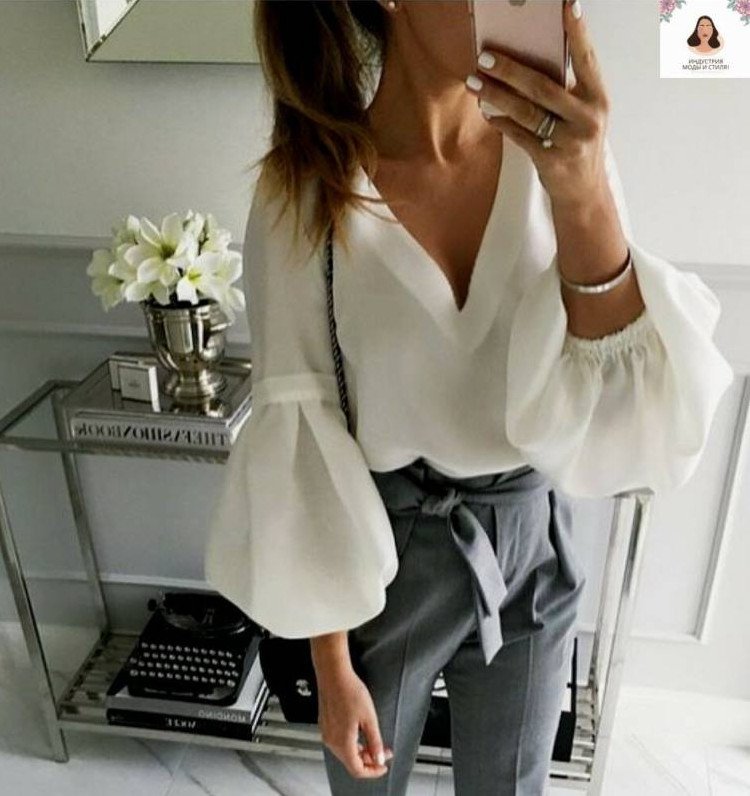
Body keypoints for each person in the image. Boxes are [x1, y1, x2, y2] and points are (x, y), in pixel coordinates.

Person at [204, 1, 734, 793]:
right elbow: (301, 437)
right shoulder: (306, 191)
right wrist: (331, 664)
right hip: (384, 559)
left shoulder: (560, 158)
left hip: (534, 538)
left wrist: (581, 188)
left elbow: (623, 416)